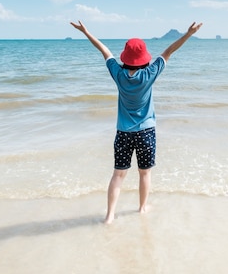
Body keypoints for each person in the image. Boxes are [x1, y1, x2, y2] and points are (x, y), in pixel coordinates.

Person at [70, 20, 203, 224]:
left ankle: (109, 216)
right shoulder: (149, 74)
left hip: (123, 132)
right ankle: (141, 209)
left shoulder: (119, 74)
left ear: (125, 57)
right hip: (146, 132)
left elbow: (104, 51)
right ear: (143, 58)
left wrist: (86, 31)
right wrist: (188, 34)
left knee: (118, 175)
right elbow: (169, 51)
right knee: (144, 173)